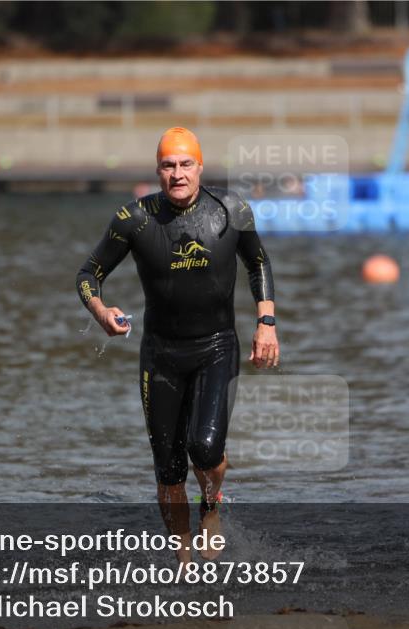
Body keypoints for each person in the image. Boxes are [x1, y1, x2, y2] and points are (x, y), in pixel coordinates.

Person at [76, 127, 278, 563]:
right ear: (158, 170)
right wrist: (101, 312)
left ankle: (211, 503)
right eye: (168, 165)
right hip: (161, 355)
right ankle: (183, 558)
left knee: (205, 450)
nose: (177, 174)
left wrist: (266, 322)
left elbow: (258, 262)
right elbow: (88, 275)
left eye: (186, 164)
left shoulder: (231, 210)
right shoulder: (134, 219)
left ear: (200, 167)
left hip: (217, 348)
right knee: (168, 469)